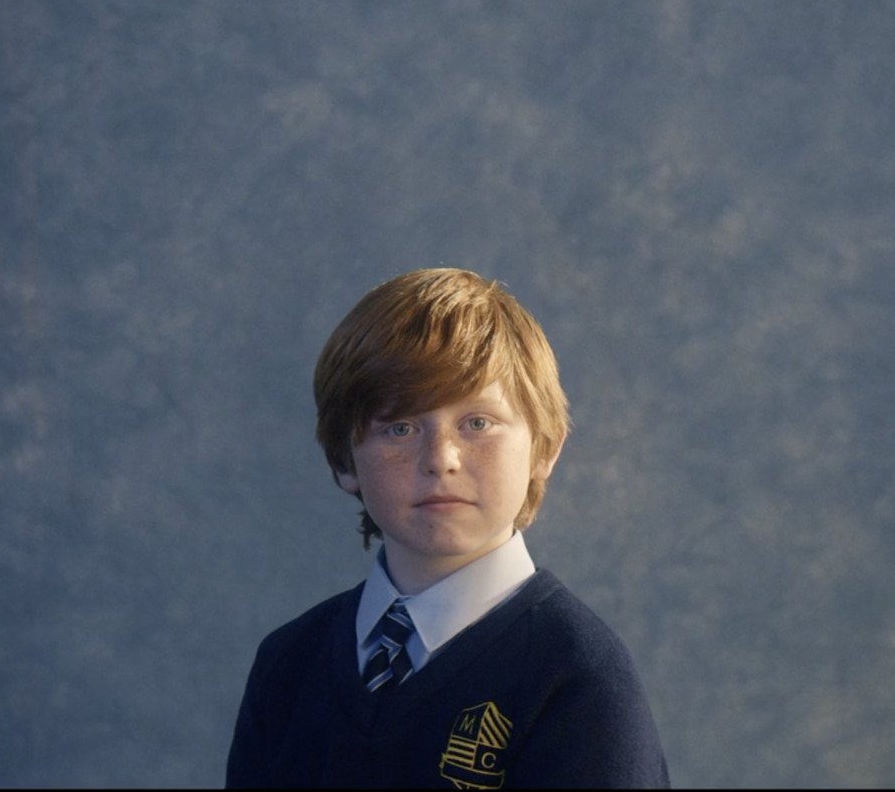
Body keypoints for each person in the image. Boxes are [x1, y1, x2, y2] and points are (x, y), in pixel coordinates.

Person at [226, 268, 669, 788]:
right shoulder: (289, 663)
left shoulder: (577, 677)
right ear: (344, 462)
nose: (441, 459)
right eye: (400, 427)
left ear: (544, 450)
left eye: (477, 423)